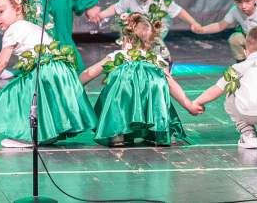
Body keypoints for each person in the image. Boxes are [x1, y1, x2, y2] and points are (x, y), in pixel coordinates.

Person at [0, 0, 96, 148]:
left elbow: (1, 62)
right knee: (43, 100)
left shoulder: (14, 29)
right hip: (60, 68)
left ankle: (27, 136)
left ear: (18, 8)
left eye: (1, 12)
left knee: (15, 93)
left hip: (45, 69)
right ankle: (44, 133)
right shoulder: (31, 26)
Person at [80, 13, 198, 146]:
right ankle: (157, 132)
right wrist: (188, 104)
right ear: (151, 41)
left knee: (117, 91)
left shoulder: (118, 57)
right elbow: (170, 84)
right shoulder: (157, 60)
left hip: (124, 103)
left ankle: (117, 132)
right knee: (157, 90)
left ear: (126, 39)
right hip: (149, 103)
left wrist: (75, 86)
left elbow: (89, 73)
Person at [95, 0, 202, 65]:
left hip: (155, 32)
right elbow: (117, 8)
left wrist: (193, 23)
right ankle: (129, 64)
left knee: (155, 46)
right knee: (129, 40)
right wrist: (101, 15)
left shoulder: (161, 0)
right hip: (138, 31)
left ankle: (165, 62)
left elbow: (179, 11)